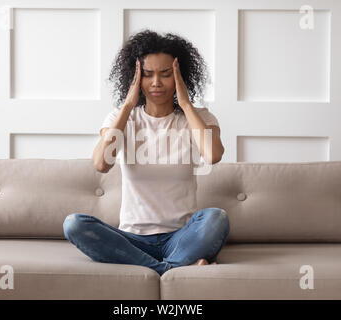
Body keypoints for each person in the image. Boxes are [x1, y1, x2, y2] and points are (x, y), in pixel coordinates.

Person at [63, 30, 230, 276]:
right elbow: (100, 163)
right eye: (147, 75)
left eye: (166, 74)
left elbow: (213, 155)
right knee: (74, 224)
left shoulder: (200, 117)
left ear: (180, 76)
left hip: (181, 237)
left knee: (217, 217)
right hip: (132, 238)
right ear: (134, 78)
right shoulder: (120, 118)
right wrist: (128, 106)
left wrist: (185, 104)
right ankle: (173, 269)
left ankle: (156, 266)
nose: (156, 83)